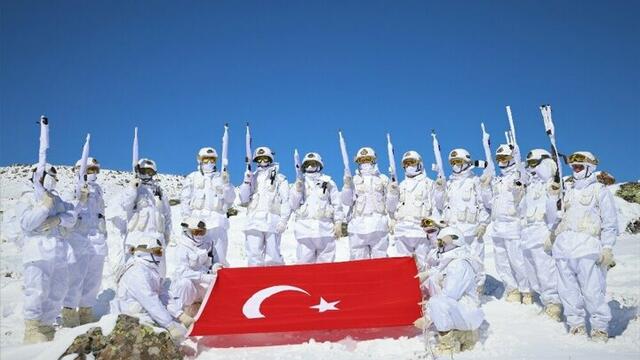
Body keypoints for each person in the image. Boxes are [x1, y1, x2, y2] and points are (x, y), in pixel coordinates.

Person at [552, 151, 617, 341]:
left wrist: (607, 248)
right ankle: (576, 325)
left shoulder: (599, 190)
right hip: (564, 249)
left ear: (589, 167)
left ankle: (599, 327)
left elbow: (610, 222)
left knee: (592, 290)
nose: (576, 169)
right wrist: (552, 197)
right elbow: (558, 216)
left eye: (580, 166)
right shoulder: (568, 190)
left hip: (588, 248)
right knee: (567, 291)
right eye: (574, 166)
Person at [18, 164, 77, 343]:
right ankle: (32, 328)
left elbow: (72, 217)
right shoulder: (28, 197)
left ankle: (46, 325)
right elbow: (27, 223)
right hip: (38, 251)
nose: (51, 179)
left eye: (53, 176)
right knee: (37, 290)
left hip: (59, 251)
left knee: (58, 290)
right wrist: (43, 207)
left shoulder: (57, 200)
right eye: (47, 176)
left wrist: (58, 219)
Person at [414, 226, 484, 355]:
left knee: (436, 303)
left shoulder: (459, 265)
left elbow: (448, 296)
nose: (439, 246)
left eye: (442, 242)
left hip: (467, 315)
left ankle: (448, 344)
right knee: (434, 288)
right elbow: (439, 271)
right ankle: (458, 334)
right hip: (461, 310)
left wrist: (428, 316)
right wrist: (426, 274)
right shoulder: (452, 261)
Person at [111, 237, 188, 344]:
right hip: (133, 318)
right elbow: (150, 300)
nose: (160, 255)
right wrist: (169, 325)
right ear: (144, 253)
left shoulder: (147, 268)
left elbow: (161, 294)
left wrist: (180, 314)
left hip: (147, 313)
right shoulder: (137, 272)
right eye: (157, 252)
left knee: (182, 331)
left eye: (160, 251)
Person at [480, 144, 531, 303]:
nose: (502, 161)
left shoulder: (519, 176)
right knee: (501, 261)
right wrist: (485, 188)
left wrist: (519, 186)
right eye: (499, 159)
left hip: (513, 225)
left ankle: (526, 290)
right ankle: (512, 289)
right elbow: (489, 203)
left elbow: (523, 199)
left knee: (517, 260)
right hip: (497, 226)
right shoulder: (498, 180)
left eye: (505, 158)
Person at [61, 158, 108, 327]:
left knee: (94, 277)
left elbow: (100, 212)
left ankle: (86, 310)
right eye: (90, 170)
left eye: (96, 170)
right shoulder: (71, 188)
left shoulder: (98, 190)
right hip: (79, 236)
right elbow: (68, 212)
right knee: (76, 276)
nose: (93, 174)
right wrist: (79, 198)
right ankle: (69, 311)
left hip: (96, 236)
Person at [434, 148, 489, 292]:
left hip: (471, 231)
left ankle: (477, 290)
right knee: (451, 262)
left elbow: (484, 204)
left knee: (474, 260)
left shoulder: (474, 181)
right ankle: (455, 290)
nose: (455, 165)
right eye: (452, 162)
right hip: (453, 233)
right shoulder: (450, 184)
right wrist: (439, 190)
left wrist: (483, 223)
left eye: (458, 162)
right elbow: (441, 206)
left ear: (467, 162)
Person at [521, 149, 563, 320]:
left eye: (534, 163)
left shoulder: (552, 185)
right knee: (532, 271)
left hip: (542, 232)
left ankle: (553, 304)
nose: (531, 168)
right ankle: (544, 299)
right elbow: (523, 210)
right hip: (528, 233)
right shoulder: (531, 186)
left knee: (546, 270)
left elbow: (556, 214)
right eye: (529, 164)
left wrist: (552, 233)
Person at [113, 158, 172, 275]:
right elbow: (125, 206)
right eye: (144, 171)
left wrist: (167, 235)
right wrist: (132, 189)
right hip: (138, 238)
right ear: (139, 171)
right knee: (136, 272)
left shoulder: (160, 193)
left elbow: (167, 216)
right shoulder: (134, 189)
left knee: (159, 273)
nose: (146, 175)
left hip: (157, 238)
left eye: (150, 172)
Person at [180, 147, 236, 266]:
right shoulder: (192, 177)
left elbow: (231, 199)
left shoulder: (221, 177)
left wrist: (226, 184)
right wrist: (187, 220)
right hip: (198, 224)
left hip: (217, 223)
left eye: (212, 160)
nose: (209, 163)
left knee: (220, 258)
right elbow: (185, 199)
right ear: (199, 160)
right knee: (198, 258)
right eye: (205, 160)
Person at [387, 150, 440, 270]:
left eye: (412, 162)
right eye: (406, 163)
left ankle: (426, 289)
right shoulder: (400, 185)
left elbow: (437, 207)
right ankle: (405, 288)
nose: (409, 166)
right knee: (402, 266)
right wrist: (392, 193)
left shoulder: (429, 184)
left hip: (421, 231)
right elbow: (391, 208)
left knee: (424, 266)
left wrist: (433, 229)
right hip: (402, 231)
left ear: (419, 164)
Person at [238, 147, 291, 266]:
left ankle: (276, 280)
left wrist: (283, 220)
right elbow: (244, 199)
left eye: (265, 158)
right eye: (259, 159)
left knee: (273, 255)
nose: (262, 161)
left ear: (270, 159)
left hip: (272, 220)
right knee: (253, 254)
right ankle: (255, 281)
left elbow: (286, 201)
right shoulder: (252, 176)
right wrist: (246, 181)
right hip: (253, 221)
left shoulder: (280, 178)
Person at [341, 147, 397, 260]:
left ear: (373, 160)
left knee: (380, 262)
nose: (365, 163)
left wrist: (393, 193)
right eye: (362, 160)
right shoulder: (353, 179)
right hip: (358, 227)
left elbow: (391, 205)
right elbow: (346, 201)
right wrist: (347, 186)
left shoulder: (383, 179)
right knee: (358, 264)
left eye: (367, 159)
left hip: (378, 225)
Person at [289, 152, 344, 263]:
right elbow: (293, 205)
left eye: (313, 163)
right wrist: (298, 190)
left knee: (326, 268)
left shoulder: (329, 182)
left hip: (325, 231)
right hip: (305, 232)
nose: (310, 166)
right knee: (304, 266)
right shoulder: (299, 182)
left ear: (319, 165)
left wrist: (338, 222)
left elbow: (336, 204)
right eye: (308, 164)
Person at [167, 218, 221, 326]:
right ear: (188, 231)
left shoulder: (208, 243)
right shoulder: (182, 247)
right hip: (189, 285)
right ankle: (180, 320)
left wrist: (215, 267)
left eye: (202, 232)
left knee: (217, 285)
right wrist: (202, 277)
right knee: (184, 283)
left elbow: (213, 261)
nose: (200, 235)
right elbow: (182, 272)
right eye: (196, 232)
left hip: (203, 283)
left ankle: (213, 320)